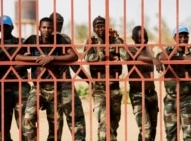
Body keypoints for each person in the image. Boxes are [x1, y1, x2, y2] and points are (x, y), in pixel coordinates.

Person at [15, 17, 77, 141]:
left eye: (49, 28)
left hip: (55, 88)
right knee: (28, 118)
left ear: (53, 29)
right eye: (44, 27)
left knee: (56, 125)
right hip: (38, 87)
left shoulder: (59, 40)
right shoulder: (33, 40)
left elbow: (74, 56)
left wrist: (52, 58)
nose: (46, 30)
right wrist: (36, 59)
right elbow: (16, 56)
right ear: (39, 28)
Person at [84, 15, 128, 141]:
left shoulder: (114, 40)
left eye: (103, 25)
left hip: (114, 87)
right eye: (97, 26)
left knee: (113, 124)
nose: (101, 28)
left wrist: (117, 38)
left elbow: (126, 56)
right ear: (94, 29)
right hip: (99, 89)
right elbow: (88, 58)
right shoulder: (91, 41)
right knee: (104, 123)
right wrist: (104, 53)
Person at [156, 25, 191, 141]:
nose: (183, 39)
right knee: (171, 135)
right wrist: (160, 58)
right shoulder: (169, 50)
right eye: (180, 36)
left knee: (189, 135)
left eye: (185, 36)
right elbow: (161, 56)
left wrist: (177, 59)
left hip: (187, 100)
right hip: (170, 100)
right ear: (174, 37)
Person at [49, 12, 86, 141]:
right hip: (53, 86)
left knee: (71, 121)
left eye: (60, 23)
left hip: (63, 85)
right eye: (55, 23)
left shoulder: (63, 38)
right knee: (58, 124)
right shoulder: (63, 38)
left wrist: (88, 80)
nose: (58, 26)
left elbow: (73, 63)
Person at [0, 15, 31, 141]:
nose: (4, 29)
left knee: (25, 121)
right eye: (2, 27)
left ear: (12, 27)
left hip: (21, 86)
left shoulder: (22, 43)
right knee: (4, 123)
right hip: (3, 88)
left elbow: (30, 61)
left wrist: (14, 67)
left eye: (7, 26)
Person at [126, 25, 161, 141]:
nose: (144, 40)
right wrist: (153, 60)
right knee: (146, 129)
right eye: (139, 38)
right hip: (138, 94)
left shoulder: (148, 50)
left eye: (145, 37)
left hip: (151, 93)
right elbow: (135, 57)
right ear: (133, 38)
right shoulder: (130, 50)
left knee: (153, 130)